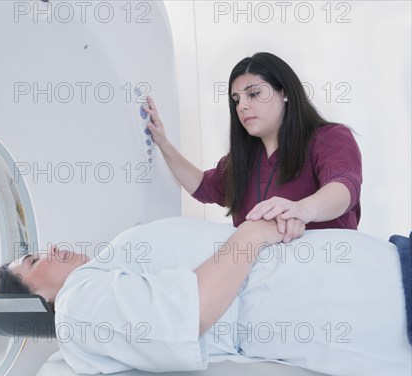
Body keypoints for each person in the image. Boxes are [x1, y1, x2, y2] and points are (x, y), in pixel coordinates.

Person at [0, 217, 411, 376]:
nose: (51, 249)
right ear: (37, 301)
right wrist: (252, 234)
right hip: (356, 298)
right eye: (32, 260)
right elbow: (187, 315)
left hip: (368, 275)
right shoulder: (78, 309)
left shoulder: (97, 281)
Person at [143, 52, 362, 243]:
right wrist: (163, 142)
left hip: (327, 272)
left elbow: (343, 187)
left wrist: (303, 209)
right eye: (236, 100)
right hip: (261, 282)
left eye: (254, 94)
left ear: (284, 92)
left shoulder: (330, 139)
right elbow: (201, 186)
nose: (243, 106)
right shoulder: (241, 161)